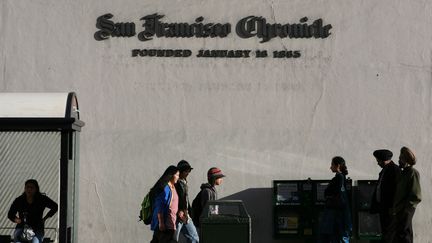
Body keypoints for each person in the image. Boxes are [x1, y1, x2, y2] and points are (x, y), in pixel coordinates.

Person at [319, 156, 352, 243]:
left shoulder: (339, 178)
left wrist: (329, 198)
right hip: (336, 213)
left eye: (332, 165)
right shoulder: (341, 177)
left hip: (335, 214)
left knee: (335, 236)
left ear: (337, 166)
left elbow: (340, 195)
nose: (330, 167)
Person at [370, 149, 401, 243]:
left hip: (389, 210)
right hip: (383, 209)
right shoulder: (385, 170)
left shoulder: (394, 170)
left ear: (383, 160)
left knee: (388, 236)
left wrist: (393, 208)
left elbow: (396, 191)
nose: (377, 163)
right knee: (384, 234)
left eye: (378, 161)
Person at [392, 147, 421, 243]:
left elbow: (416, 195)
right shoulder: (403, 173)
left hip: (406, 210)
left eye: (401, 159)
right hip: (399, 210)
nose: (399, 161)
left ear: (407, 160)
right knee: (399, 235)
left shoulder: (413, 173)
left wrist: (406, 210)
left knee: (405, 235)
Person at [150, 165, 180, 243]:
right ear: (171, 175)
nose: (178, 177)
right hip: (166, 224)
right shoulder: (166, 188)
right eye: (176, 175)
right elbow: (160, 205)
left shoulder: (172, 187)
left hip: (170, 223)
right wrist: (161, 222)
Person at [174, 160, 199, 243]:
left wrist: (188, 213)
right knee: (173, 240)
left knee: (194, 238)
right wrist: (178, 211)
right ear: (180, 171)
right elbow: (173, 200)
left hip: (185, 215)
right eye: (186, 171)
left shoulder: (184, 182)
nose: (188, 173)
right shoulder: (174, 183)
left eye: (189, 171)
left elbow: (185, 200)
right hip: (177, 216)